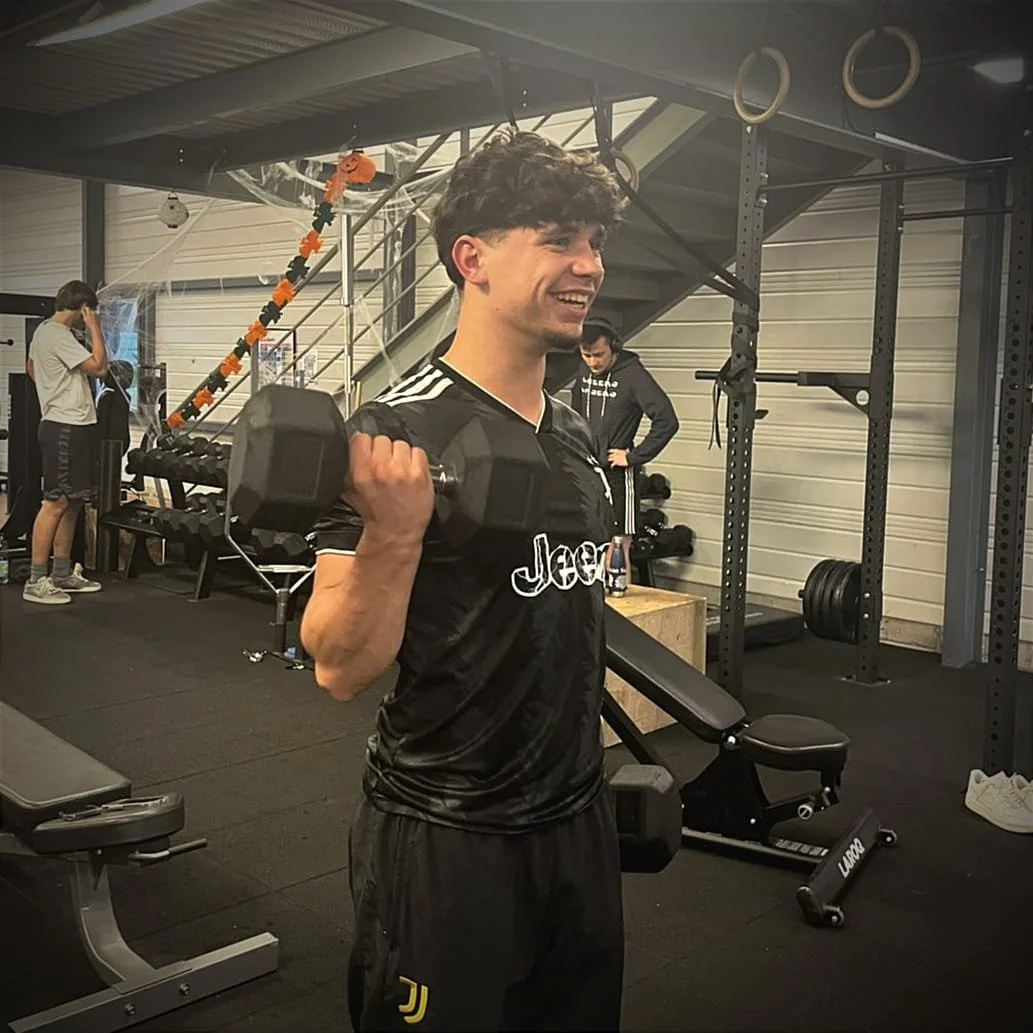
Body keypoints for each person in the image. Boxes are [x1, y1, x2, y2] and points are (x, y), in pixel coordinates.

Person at [301, 129, 627, 1032]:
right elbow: (337, 665)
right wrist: (394, 535)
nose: (588, 264)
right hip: (448, 837)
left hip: (575, 822)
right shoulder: (388, 431)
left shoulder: (572, 437)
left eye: (595, 240)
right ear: (471, 258)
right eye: (560, 237)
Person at [571, 316, 679, 574]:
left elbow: (667, 420)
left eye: (599, 355)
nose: (593, 362)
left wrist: (633, 457)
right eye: (587, 355)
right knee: (589, 541)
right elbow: (575, 413)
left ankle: (621, 608)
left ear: (614, 347)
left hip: (618, 474)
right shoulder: (584, 369)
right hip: (587, 470)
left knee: (618, 544)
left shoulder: (633, 376)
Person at [23, 280, 108, 605]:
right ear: (84, 308)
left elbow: (32, 370)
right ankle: (36, 580)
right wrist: (95, 328)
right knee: (56, 501)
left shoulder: (45, 332)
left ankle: (60, 573)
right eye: (90, 312)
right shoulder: (57, 334)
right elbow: (99, 368)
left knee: (73, 501)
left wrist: (53, 385)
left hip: (75, 423)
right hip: (64, 426)